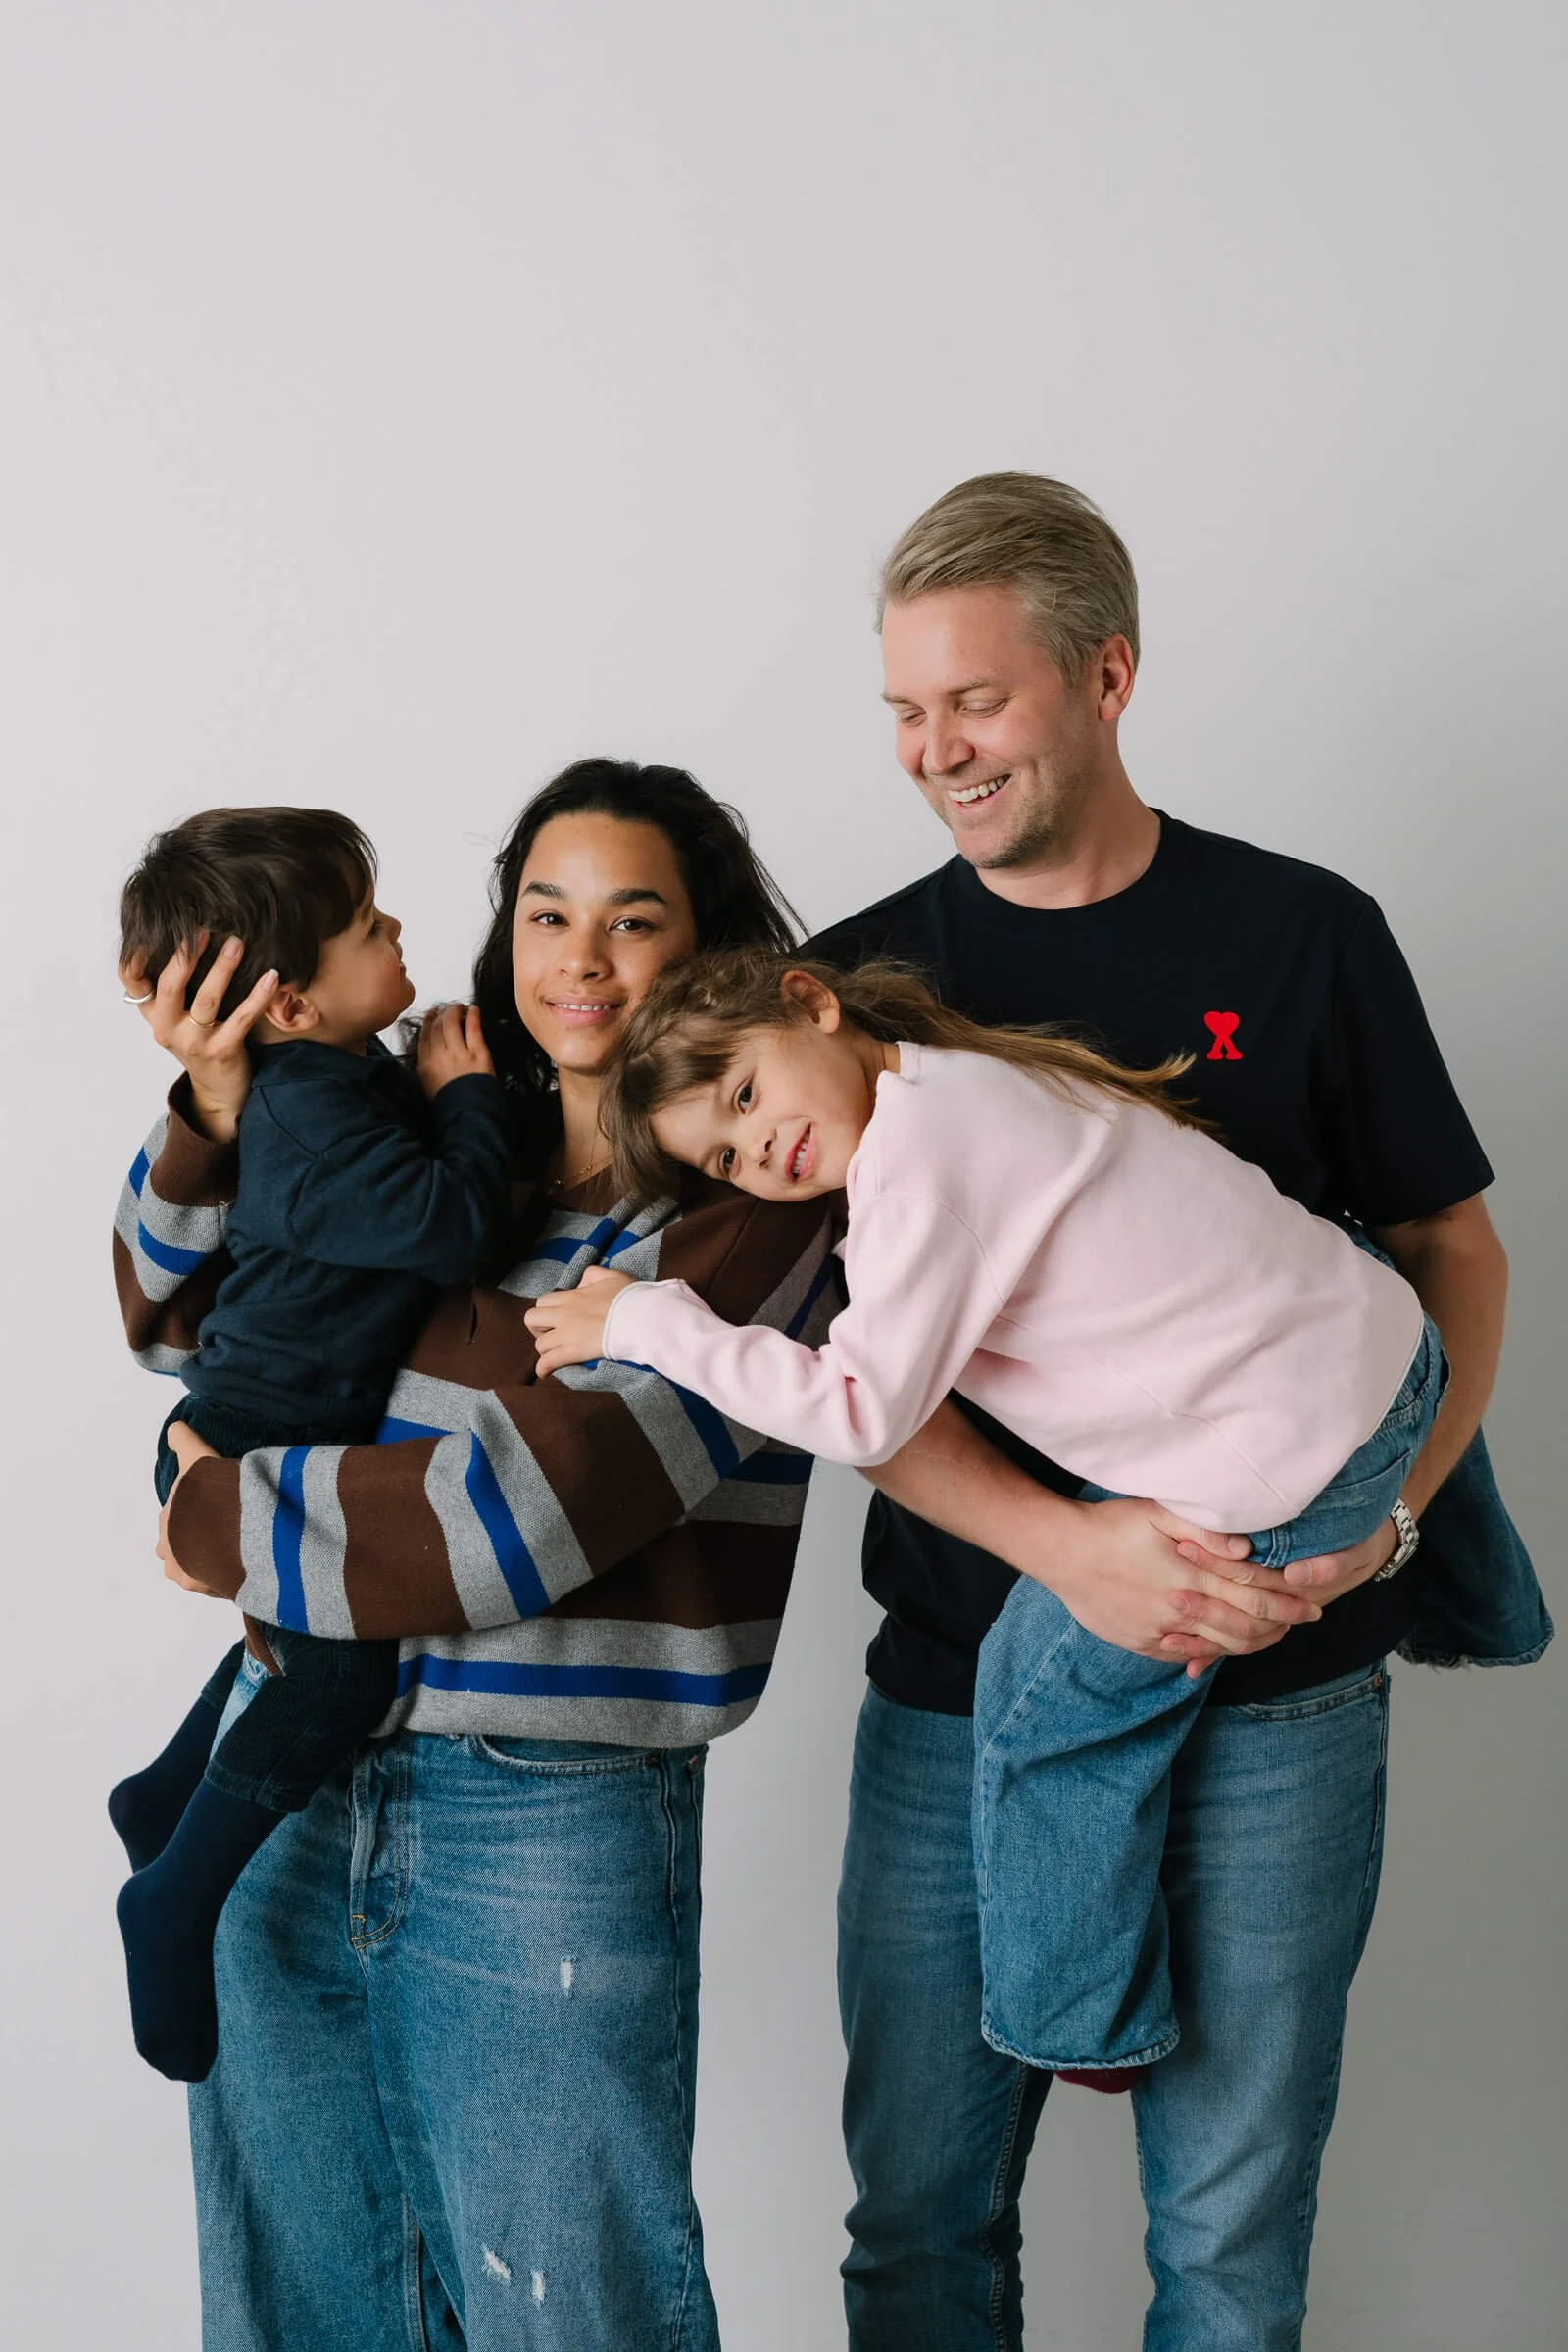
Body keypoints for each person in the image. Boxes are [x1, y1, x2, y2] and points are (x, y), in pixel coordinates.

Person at [800, 475, 1543, 2351]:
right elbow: (854, 1382)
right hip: (966, 1691)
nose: (932, 752)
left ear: (1107, 672)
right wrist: (1070, 1552)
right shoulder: (871, 989)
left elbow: (1453, 1250)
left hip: (1283, 1691)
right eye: (902, 711)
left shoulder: (1305, 936)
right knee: (918, 2224)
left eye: (972, 701)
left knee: (1227, 2240)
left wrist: (1391, 1518)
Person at [112, 760, 839, 2352]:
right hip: (287, 1778)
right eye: (546, 912)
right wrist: (220, 1108)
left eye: (630, 921)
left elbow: (534, 1507)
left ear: (702, 949)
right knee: (310, 2308)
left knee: (575, 2315)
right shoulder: (451, 1140)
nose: (576, 959)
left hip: (543, 1820)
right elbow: (179, 1317)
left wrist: (223, 1518)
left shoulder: (754, 1202)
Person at [525, 946, 1447, 2085]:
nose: (757, 1146)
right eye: (725, 1154)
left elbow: (859, 1413)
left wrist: (645, 1324)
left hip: (1292, 1459)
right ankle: (1477, 1593)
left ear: (811, 1006)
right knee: (1310, 1304)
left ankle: (1078, 2024)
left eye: (748, 1094)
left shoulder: (920, 1174)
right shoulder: (958, 1079)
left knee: (1033, 1717)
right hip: (1383, 1338)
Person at [112, 807, 512, 2082]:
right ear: (283, 1006)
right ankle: (173, 1894)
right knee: (340, 1677)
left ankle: (163, 1795)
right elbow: (456, 1228)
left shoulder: (335, 1082)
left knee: (302, 1654)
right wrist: (475, 1099)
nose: (399, 933)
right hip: (257, 1447)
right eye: (368, 926)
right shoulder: (312, 1112)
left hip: (277, 1435)